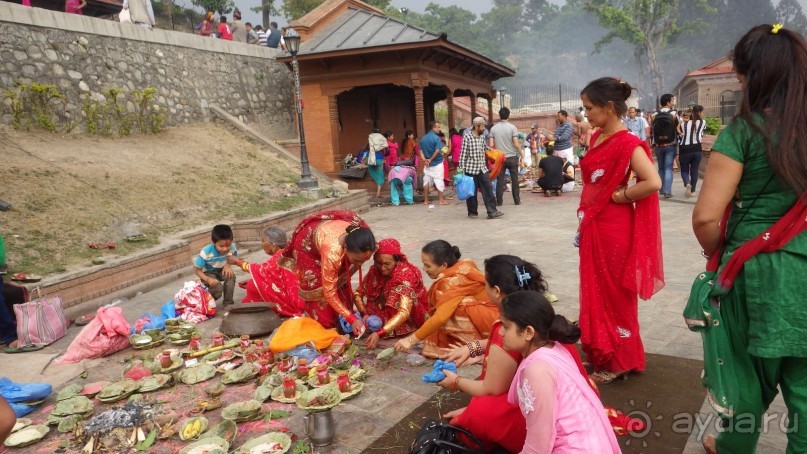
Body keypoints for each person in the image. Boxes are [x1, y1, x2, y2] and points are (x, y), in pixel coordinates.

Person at [692, 24, 807, 454]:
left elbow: (706, 218)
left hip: (753, 271)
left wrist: (716, 255)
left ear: (752, 77)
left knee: (743, 379)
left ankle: (732, 446)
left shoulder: (742, 133)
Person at [437, 255, 590, 452]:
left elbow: (492, 388)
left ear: (497, 291)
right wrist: (473, 347)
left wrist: (456, 382)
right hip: (575, 402)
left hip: (552, 423)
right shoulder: (533, 308)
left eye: (486, 284)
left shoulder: (532, 364)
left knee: (476, 414)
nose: (501, 333)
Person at [578, 77, 665, 384]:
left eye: (589, 107)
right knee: (596, 288)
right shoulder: (598, 136)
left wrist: (621, 196)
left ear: (609, 107)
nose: (585, 113)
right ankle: (602, 350)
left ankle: (622, 359)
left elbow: (653, 182)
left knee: (615, 292)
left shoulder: (628, 143)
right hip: (594, 225)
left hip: (615, 227)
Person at [500, 291, 621, 453]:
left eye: (506, 327)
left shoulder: (537, 370)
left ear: (528, 332)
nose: (501, 333)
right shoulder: (555, 348)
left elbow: (538, 446)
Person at [394, 240, 498, 358]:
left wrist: (410, 340)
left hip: (495, 322)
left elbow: (440, 318)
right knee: (448, 308)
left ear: (444, 265)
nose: (424, 269)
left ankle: (474, 345)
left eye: (428, 265)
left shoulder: (450, 282)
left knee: (455, 308)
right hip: (495, 315)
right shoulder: (463, 265)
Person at [282, 210, 376, 331]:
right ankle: (324, 324)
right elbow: (329, 292)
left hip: (332, 237)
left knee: (340, 280)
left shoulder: (366, 241)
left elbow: (351, 267)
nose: (360, 264)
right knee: (319, 291)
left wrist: (352, 315)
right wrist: (352, 319)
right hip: (308, 246)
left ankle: (343, 316)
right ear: (346, 248)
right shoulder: (332, 253)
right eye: (357, 260)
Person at [354, 239, 428, 349]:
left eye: (387, 264)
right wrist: (364, 313)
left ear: (397, 261)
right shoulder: (375, 270)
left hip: (409, 315)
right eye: (379, 263)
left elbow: (404, 312)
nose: (382, 268)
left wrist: (380, 333)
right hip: (382, 311)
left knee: (398, 293)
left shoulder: (406, 275)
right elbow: (357, 293)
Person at [227, 227, 304, 318]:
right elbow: (272, 274)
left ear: (273, 246)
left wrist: (238, 262)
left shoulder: (280, 257)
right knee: (254, 283)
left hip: (291, 300)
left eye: (263, 241)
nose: (262, 244)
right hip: (298, 295)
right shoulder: (287, 253)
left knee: (254, 286)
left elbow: (261, 270)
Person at [460, 117, 503, 219]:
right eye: (483, 126)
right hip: (470, 170)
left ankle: (492, 211)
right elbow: (463, 155)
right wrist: (461, 170)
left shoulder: (482, 136)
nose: (484, 128)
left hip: (482, 168)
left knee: (488, 189)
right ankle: (472, 212)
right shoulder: (467, 137)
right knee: (472, 193)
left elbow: (485, 148)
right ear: (476, 126)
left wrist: (496, 152)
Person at [193, 224, 238, 307]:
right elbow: (197, 270)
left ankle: (228, 304)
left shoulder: (232, 248)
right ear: (214, 242)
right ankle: (206, 303)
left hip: (222, 270)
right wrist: (208, 279)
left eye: (227, 245)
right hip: (208, 273)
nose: (225, 249)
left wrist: (227, 265)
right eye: (221, 246)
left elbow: (233, 258)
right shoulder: (206, 252)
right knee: (218, 288)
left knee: (231, 277)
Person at [489, 107, 522, 206]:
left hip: (500, 157)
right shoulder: (512, 127)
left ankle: (499, 202)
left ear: (499, 115)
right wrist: (521, 154)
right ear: (508, 115)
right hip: (512, 156)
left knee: (500, 179)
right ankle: (517, 200)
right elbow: (516, 144)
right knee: (515, 179)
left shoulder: (493, 129)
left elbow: (491, 145)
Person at [652, 93, 680, 198]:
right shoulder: (673, 114)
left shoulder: (654, 115)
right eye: (672, 101)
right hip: (670, 144)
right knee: (668, 168)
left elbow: (652, 130)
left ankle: (662, 189)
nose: (673, 103)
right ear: (668, 103)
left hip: (659, 145)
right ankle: (668, 191)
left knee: (661, 168)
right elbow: (678, 128)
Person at [679, 105, 706, 198]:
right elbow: (702, 134)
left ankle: (687, 184)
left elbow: (681, 133)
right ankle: (693, 191)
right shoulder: (703, 122)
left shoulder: (684, 124)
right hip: (697, 148)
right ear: (699, 112)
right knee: (694, 171)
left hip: (684, 149)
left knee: (684, 170)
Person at [419, 121, 447, 206]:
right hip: (437, 163)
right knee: (439, 180)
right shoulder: (436, 138)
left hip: (427, 164)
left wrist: (425, 160)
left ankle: (426, 200)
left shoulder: (423, 138)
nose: (439, 129)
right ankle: (441, 200)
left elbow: (420, 151)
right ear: (433, 128)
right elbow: (438, 150)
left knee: (426, 181)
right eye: (438, 127)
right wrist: (430, 159)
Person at [366, 130, 387, 199]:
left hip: (370, 159)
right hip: (378, 160)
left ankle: (377, 194)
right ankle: (378, 194)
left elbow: (365, 148)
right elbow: (387, 149)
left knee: (374, 172)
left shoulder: (370, 138)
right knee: (380, 176)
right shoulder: (381, 138)